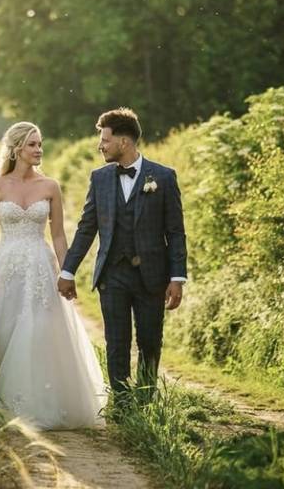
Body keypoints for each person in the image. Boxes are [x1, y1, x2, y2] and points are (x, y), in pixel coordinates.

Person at [0, 122, 106, 429]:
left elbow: (58, 235)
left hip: (40, 267)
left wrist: (67, 272)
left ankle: (40, 403)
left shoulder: (50, 186)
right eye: (33, 144)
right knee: (2, 328)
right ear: (17, 148)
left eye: (40, 144)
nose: (39, 150)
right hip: (5, 265)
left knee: (39, 328)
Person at [58, 108, 187, 398]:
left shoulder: (164, 178)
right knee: (116, 341)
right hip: (112, 274)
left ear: (124, 142)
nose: (100, 145)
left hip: (152, 276)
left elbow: (175, 232)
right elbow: (86, 228)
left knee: (150, 340)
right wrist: (67, 270)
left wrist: (177, 277)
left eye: (105, 139)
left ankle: (144, 400)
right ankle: (121, 400)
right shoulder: (99, 178)